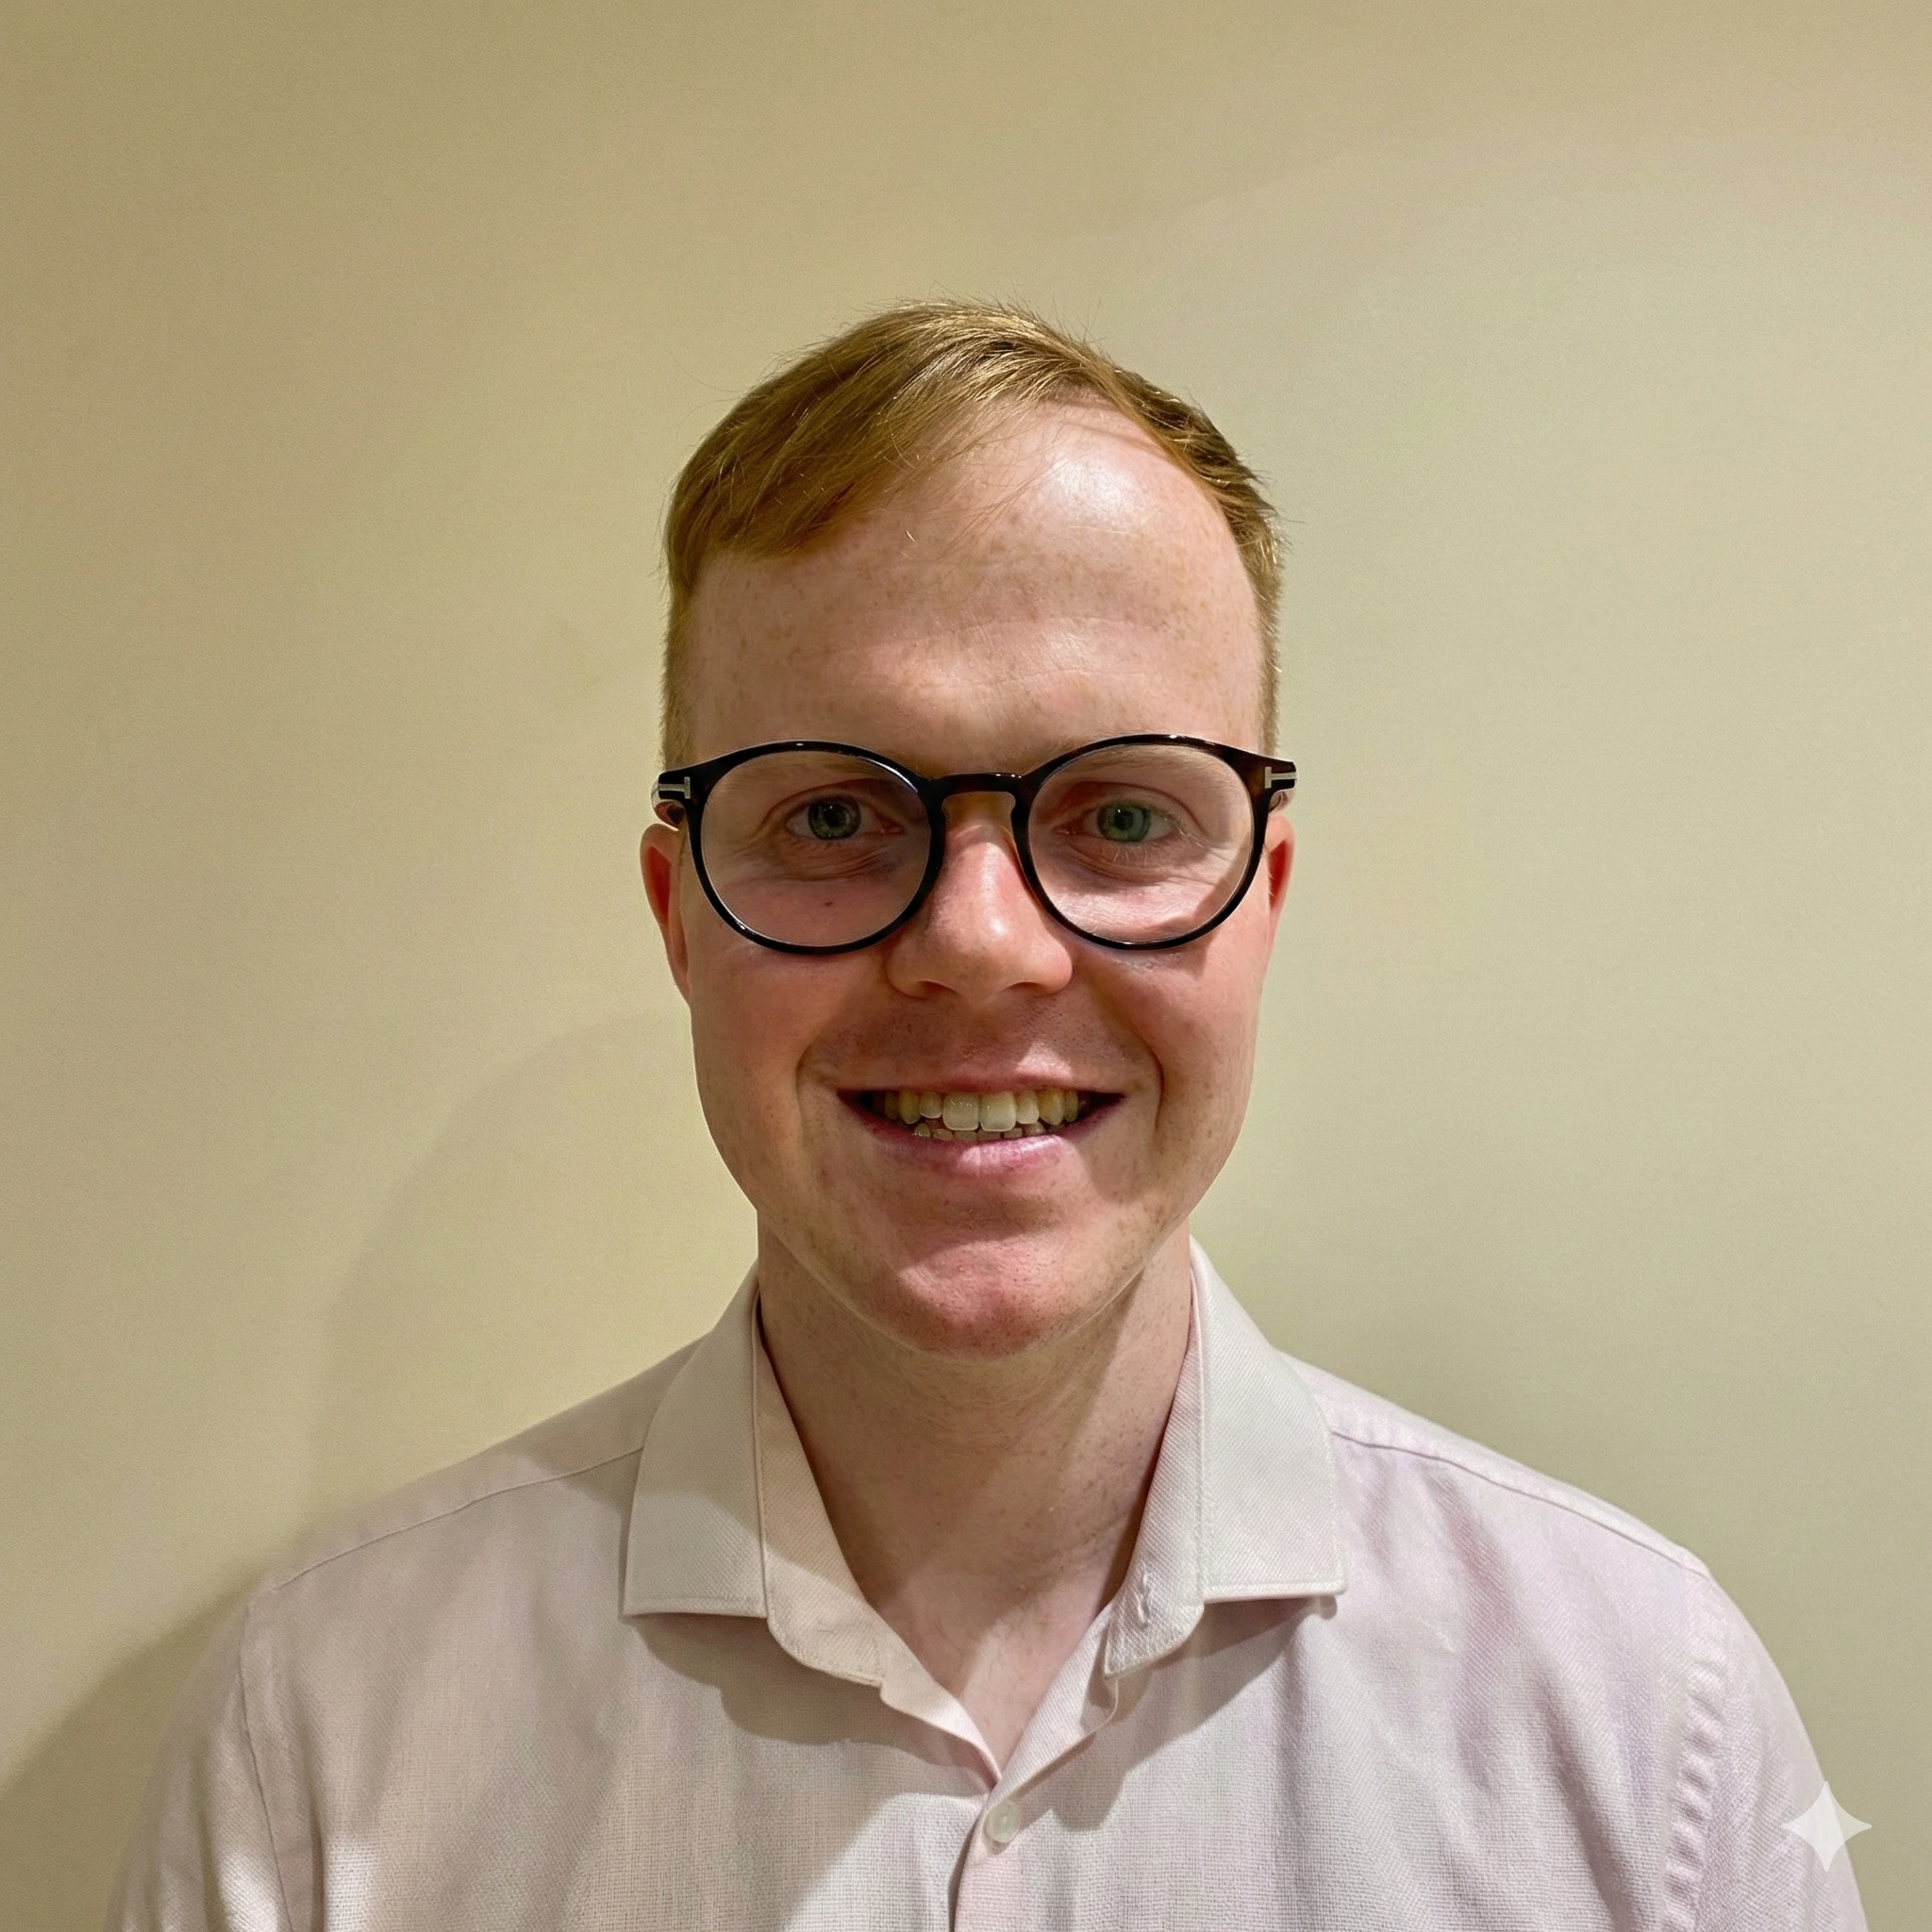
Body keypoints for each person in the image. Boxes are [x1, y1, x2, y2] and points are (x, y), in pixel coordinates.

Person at [111, 302, 1866, 1930]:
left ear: (1261, 906)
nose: (978, 943)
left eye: (1118, 819)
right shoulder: (323, 1744)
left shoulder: (1650, 1732)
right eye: (826, 819)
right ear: (676, 915)